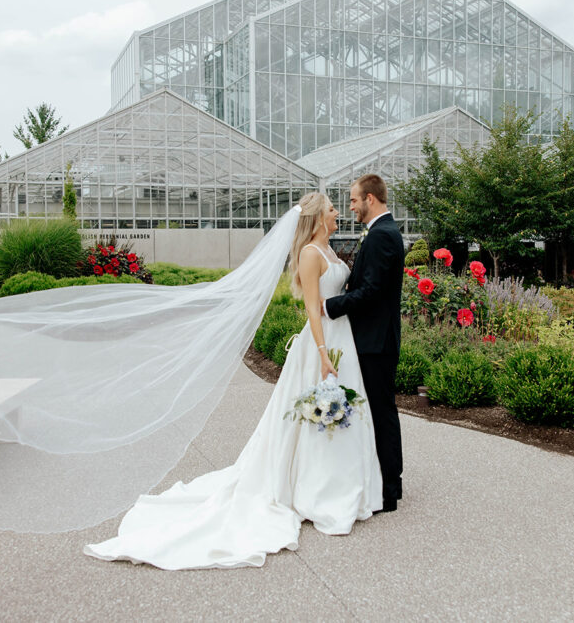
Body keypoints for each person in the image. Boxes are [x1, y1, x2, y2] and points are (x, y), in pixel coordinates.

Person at [84, 192, 383, 569]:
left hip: (344, 342)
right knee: (315, 414)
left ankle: (341, 486)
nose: (338, 212)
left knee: (342, 413)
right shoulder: (310, 254)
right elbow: (312, 307)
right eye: (332, 209)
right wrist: (323, 353)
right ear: (318, 217)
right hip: (321, 345)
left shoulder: (331, 253)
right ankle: (315, 490)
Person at [322, 174, 404, 513]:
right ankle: (382, 480)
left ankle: (390, 488)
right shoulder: (380, 233)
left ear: (370, 198)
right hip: (372, 338)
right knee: (377, 410)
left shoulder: (383, 236)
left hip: (376, 341)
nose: (350, 207)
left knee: (382, 411)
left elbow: (372, 292)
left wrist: (330, 306)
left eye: (354, 200)